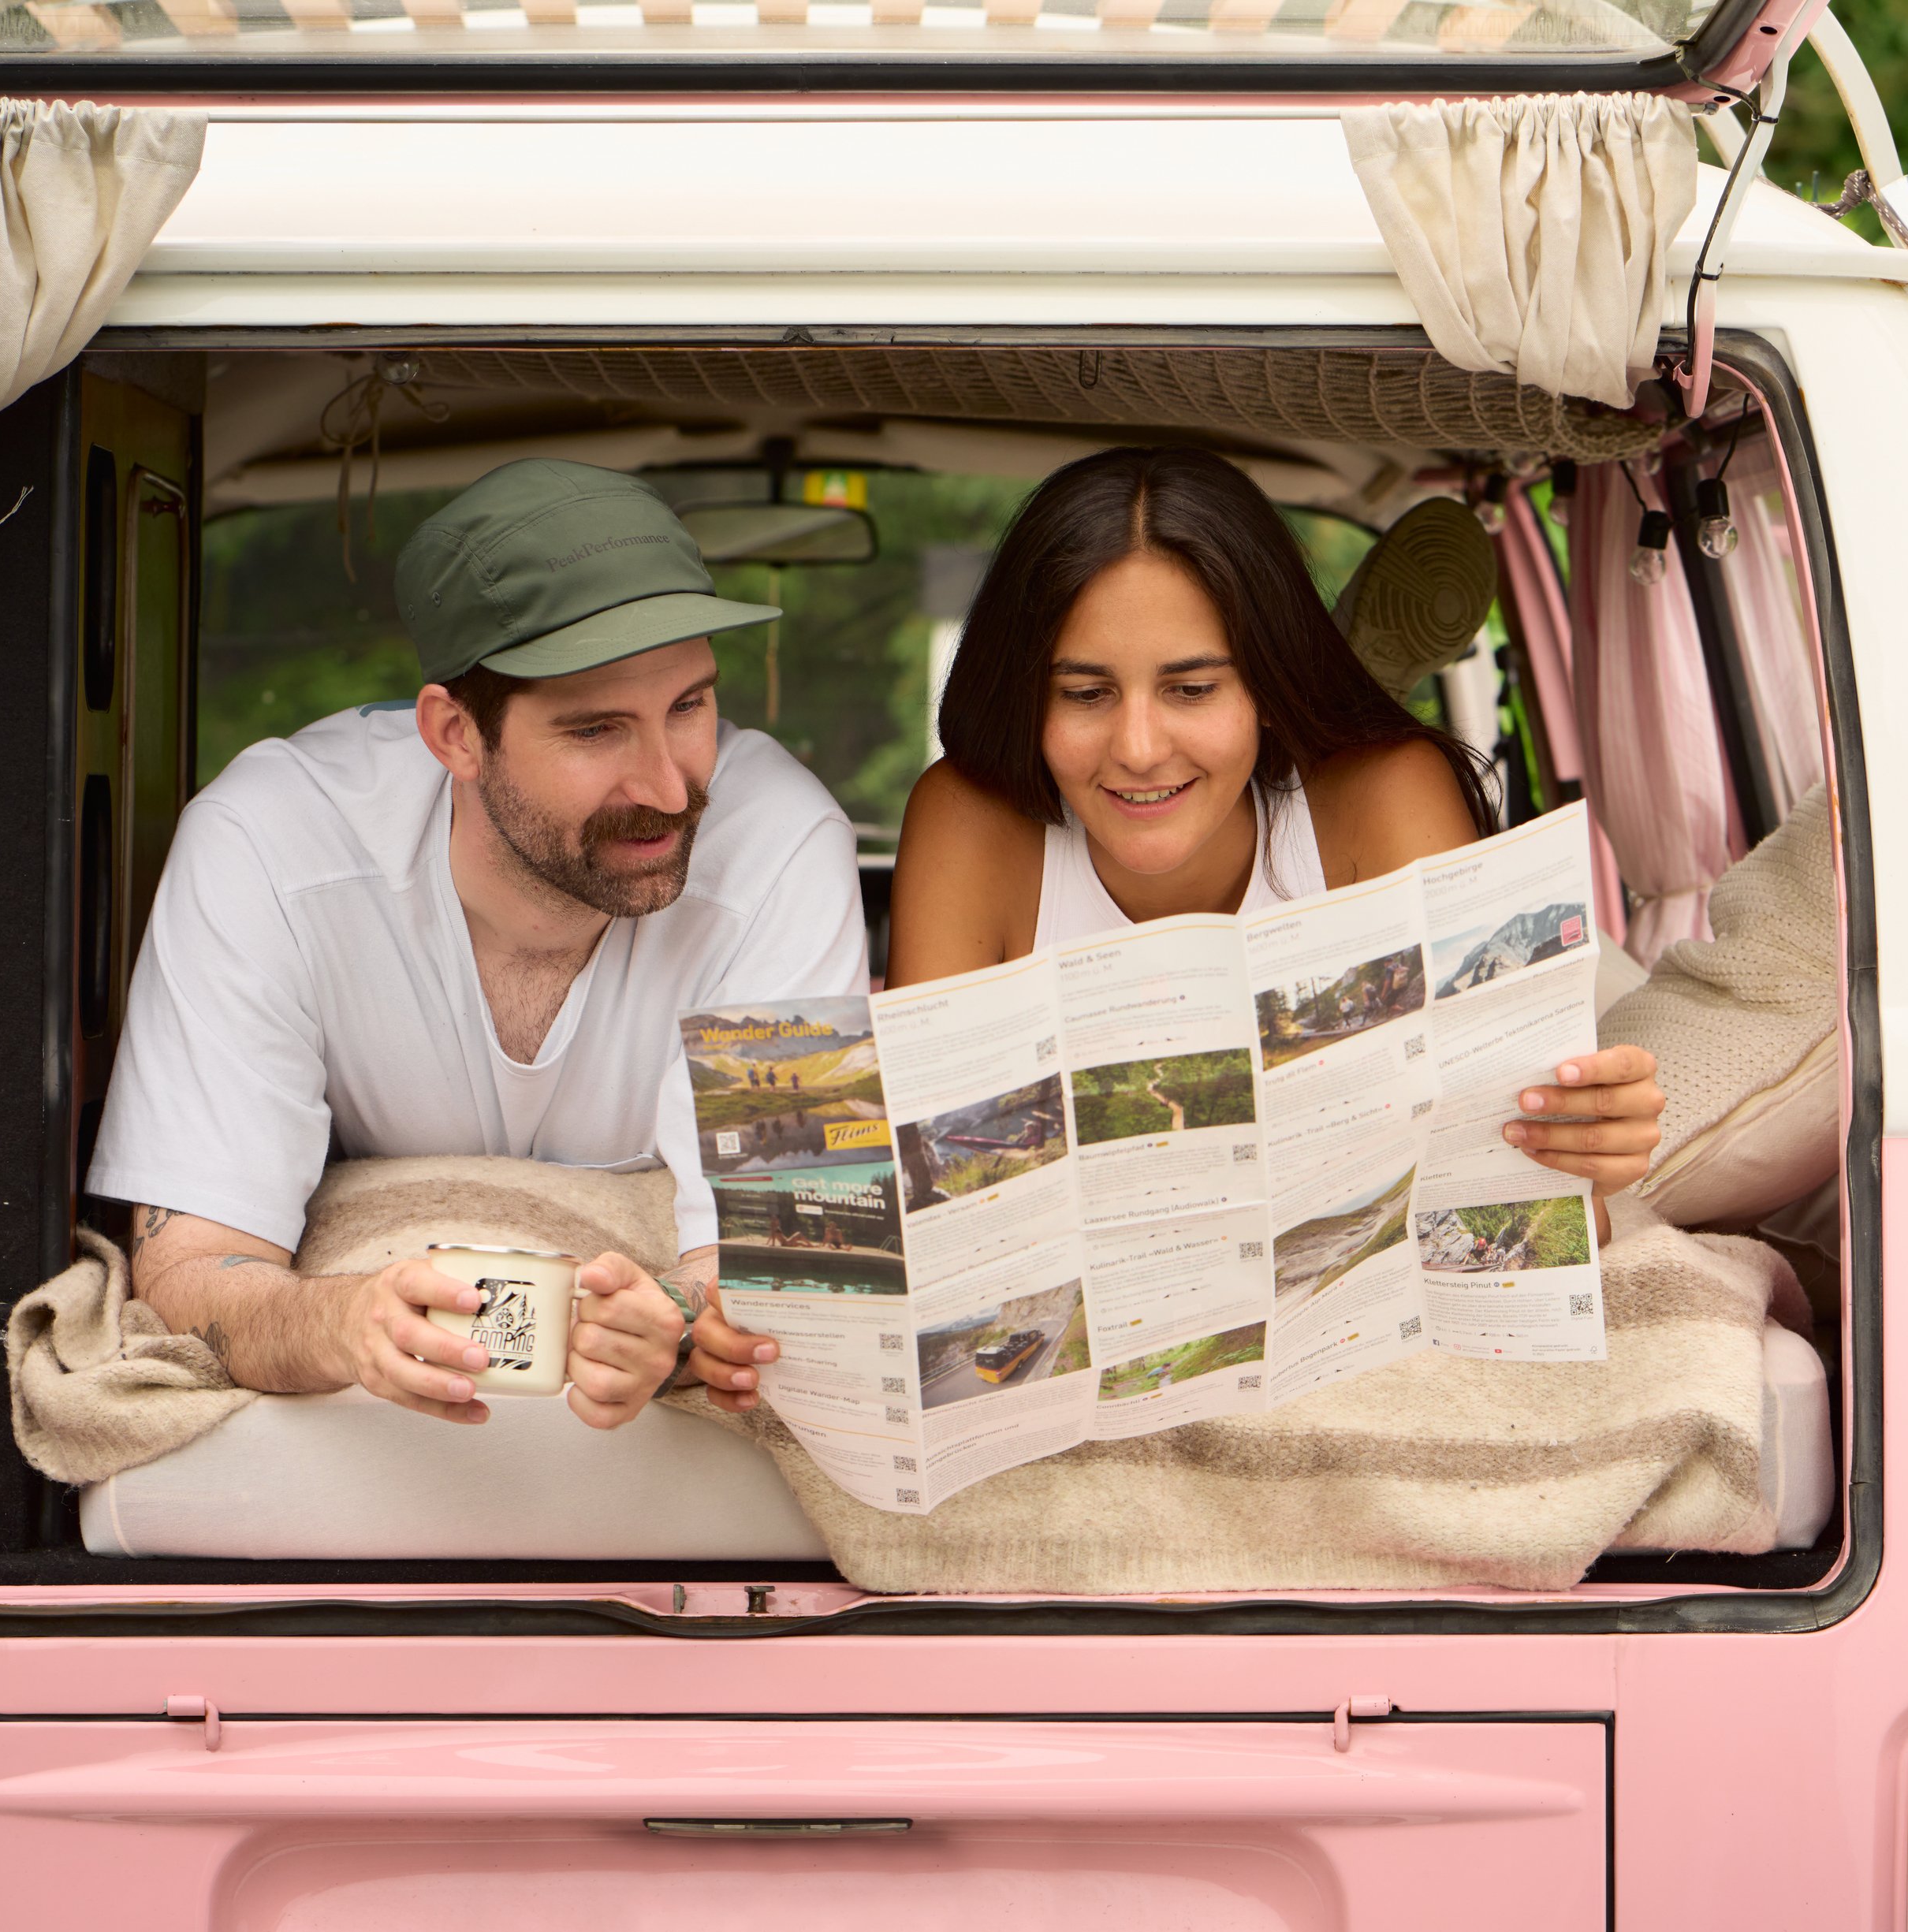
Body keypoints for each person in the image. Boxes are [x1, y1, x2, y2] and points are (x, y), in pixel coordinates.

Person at [88, 459, 863, 1430]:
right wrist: (345, 1322)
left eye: (689, 706)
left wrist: (678, 1321)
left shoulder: (784, 845)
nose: (669, 788)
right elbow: (192, 1271)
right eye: (596, 730)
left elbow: (793, 1252)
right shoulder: (269, 845)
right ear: (454, 734)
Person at [894, 447, 1660, 1207]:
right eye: (1086, 694)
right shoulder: (970, 819)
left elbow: (1532, 1218)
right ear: (1030, 699)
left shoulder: (1381, 798)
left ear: (1265, 684)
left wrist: (1582, 1157)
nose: (1137, 749)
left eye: (1191, 688)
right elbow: (932, 1192)